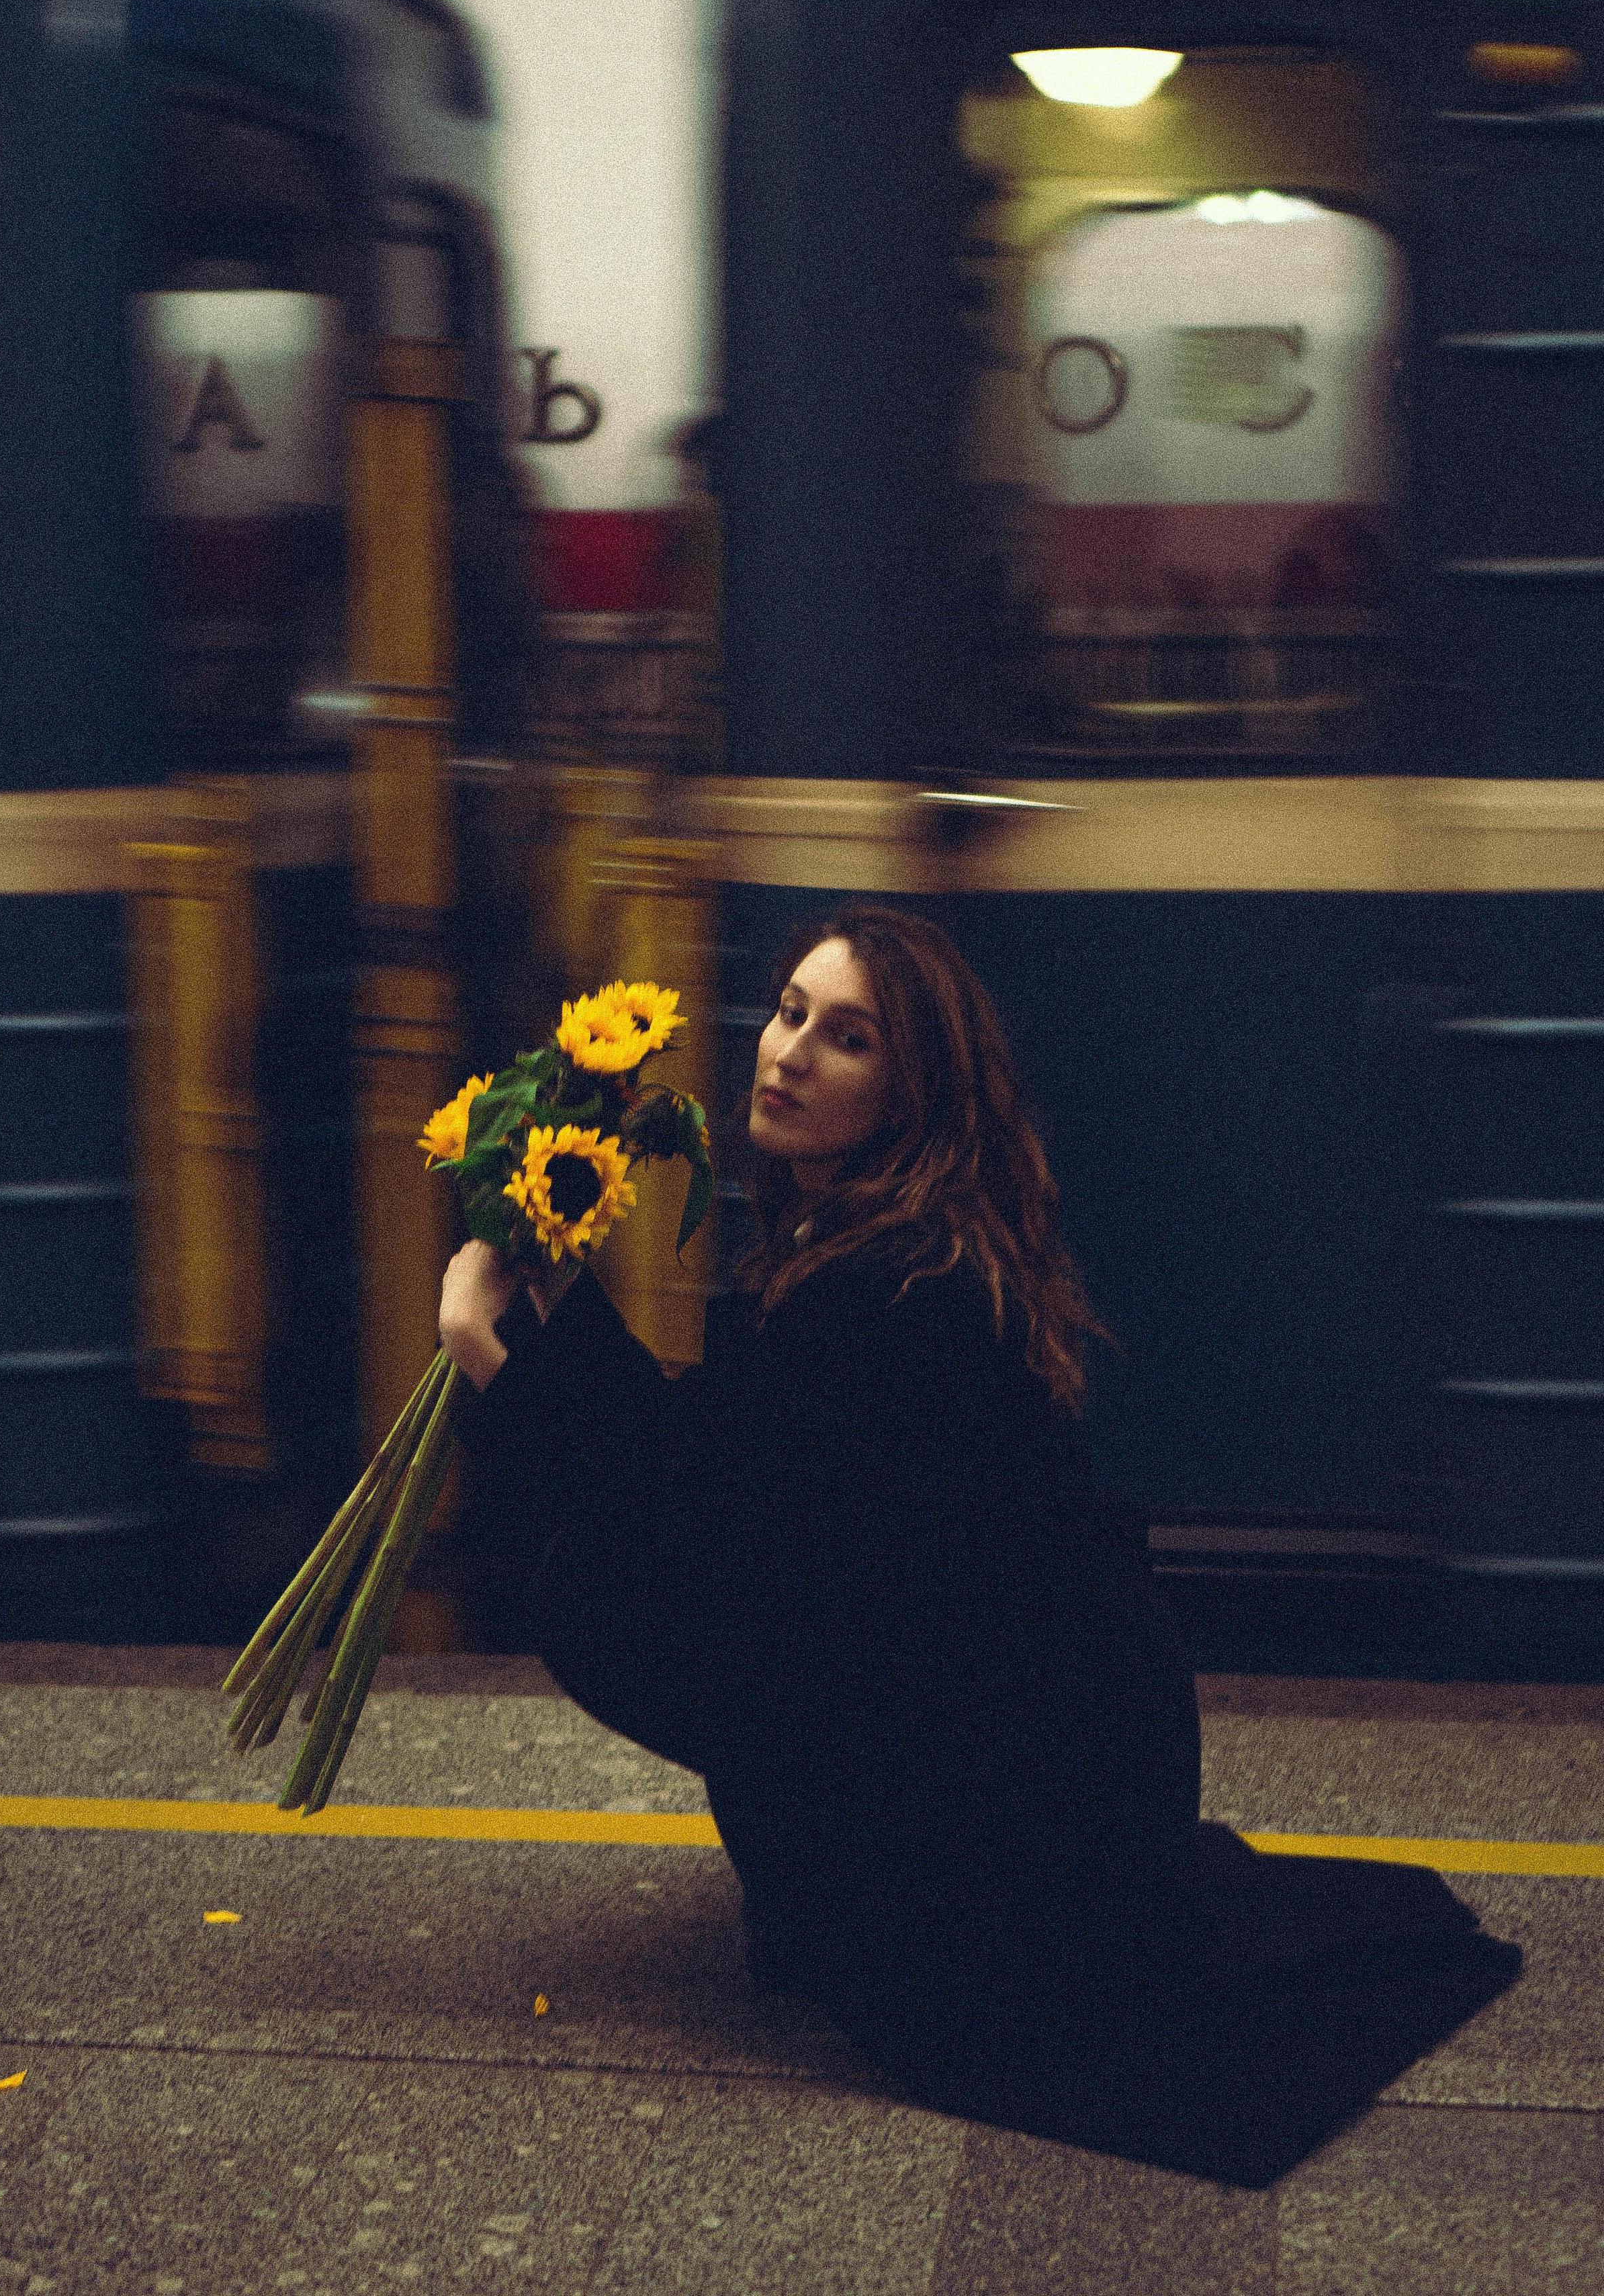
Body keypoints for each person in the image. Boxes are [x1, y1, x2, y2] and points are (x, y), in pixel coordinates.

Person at [440, 903, 1521, 2185]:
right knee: (623, 1569)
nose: (787, 1054)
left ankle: (858, 1905)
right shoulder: (875, 1241)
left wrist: (493, 1352)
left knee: (602, 1588)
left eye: (846, 1040)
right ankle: (834, 1886)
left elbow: (717, 1523)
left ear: (914, 1092)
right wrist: (555, 1321)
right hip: (1046, 1755)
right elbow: (736, 1475)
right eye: (788, 1013)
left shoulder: (891, 1290)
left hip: (1014, 1826)